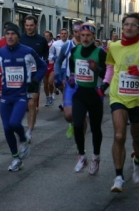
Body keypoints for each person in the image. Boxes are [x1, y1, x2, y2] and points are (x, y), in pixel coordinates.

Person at [0, 23, 47, 171]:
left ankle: (23, 140)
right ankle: (16, 158)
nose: (10, 37)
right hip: (5, 97)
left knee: (15, 123)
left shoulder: (27, 52)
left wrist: (35, 81)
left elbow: (43, 66)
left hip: (21, 95)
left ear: (18, 36)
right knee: (6, 129)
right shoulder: (0, 53)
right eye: (7, 34)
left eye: (13, 34)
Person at [68, 23, 107, 174]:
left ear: (93, 36)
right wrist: (71, 77)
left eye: (88, 35)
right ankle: (81, 156)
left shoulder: (100, 53)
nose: (84, 38)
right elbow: (72, 66)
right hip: (80, 94)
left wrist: (96, 69)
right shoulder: (75, 50)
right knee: (77, 125)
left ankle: (96, 157)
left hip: (95, 95)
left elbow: (107, 74)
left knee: (95, 128)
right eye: (82, 35)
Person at [107, 13, 139, 192]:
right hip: (118, 95)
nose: (129, 28)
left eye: (133, 25)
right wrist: (105, 84)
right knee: (119, 135)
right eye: (126, 24)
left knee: (137, 137)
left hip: (138, 98)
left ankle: (137, 161)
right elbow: (111, 67)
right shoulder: (114, 46)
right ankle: (118, 176)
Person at [19, 15, 49, 142]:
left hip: (34, 76)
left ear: (36, 25)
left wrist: (39, 76)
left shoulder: (41, 40)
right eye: (27, 25)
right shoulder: (20, 38)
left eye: (31, 25)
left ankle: (29, 131)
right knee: (22, 105)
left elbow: (45, 59)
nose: (29, 28)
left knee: (31, 103)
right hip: (20, 75)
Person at [55, 21, 83, 138]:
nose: (78, 34)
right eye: (76, 32)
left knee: (82, 117)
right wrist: (58, 76)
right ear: (73, 32)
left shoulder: (89, 46)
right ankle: (72, 123)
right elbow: (58, 61)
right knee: (68, 115)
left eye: (80, 32)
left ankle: (80, 145)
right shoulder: (67, 46)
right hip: (70, 82)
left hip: (85, 84)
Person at [50, 28, 70, 109]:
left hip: (67, 67)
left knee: (65, 85)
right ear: (60, 34)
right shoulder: (55, 44)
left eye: (65, 33)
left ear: (67, 34)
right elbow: (50, 54)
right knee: (59, 85)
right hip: (58, 67)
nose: (63, 35)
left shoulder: (70, 43)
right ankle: (64, 97)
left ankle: (64, 103)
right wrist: (54, 57)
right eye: (62, 33)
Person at [43, 30, 55, 106]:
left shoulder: (54, 44)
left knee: (50, 82)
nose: (46, 37)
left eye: (48, 36)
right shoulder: (41, 44)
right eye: (45, 36)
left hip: (52, 65)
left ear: (51, 37)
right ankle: (48, 98)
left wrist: (55, 57)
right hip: (44, 65)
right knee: (45, 84)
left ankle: (51, 95)